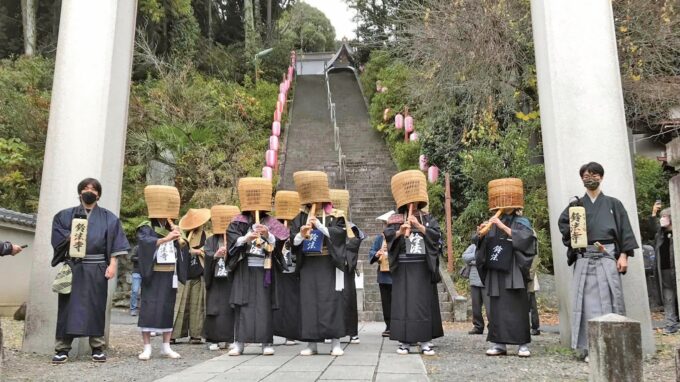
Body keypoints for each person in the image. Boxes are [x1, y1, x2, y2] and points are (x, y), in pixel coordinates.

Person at [558, 162, 639, 361]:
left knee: (612, 300)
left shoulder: (614, 204)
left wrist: (624, 255)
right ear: (582, 180)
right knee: (585, 303)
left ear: (601, 177)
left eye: (593, 174)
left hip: (608, 256)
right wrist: (577, 236)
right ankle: (589, 347)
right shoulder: (576, 206)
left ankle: (614, 345)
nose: (589, 178)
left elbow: (625, 231)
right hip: (585, 256)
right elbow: (564, 225)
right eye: (585, 175)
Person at [50, 178, 130, 364]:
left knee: (96, 306)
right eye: (85, 188)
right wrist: (72, 235)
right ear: (79, 193)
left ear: (98, 195)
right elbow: (57, 237)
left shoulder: (109, 218)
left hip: (97, 267)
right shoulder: (64, 215)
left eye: (93, 189)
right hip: (74, 267)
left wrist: (112, 265)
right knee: (68, 307)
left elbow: (116, 243)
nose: (89, 191)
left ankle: (97, 347)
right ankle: (62, 349)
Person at [227, 178, 289, 356]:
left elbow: (282, 240)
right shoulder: (238, 221)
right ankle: (239, 342)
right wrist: (247, 237)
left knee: (264, 305)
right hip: (244, 268)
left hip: (265, 268)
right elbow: (232, 241)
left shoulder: (271, 222)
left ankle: (266, 342)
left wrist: (268, 234)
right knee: (243, 304)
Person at [291, 171, 348, 356]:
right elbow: (293, 242)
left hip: (328, 263)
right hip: (308, 264)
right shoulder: (300, 217)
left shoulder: (335, 215)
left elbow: (340, 235)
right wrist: (301, 233)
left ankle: (335, 343)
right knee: (309, 303)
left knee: (331, 301)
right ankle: (311, 344)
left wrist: (321, 226)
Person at [136, 185, 189, 360]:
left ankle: (166, 346)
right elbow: (144, 243)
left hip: (169, 274)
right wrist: (166, 239)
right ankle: (147, 347)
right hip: (153, 273)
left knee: (167, 307)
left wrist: (180, 241)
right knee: (149, 307)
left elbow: (182, 249)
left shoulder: (172, 226)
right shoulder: (146, 226)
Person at [475, 206, 537, 358]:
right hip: (497, 268)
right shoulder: (493, 221)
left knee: (518, 306)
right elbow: (481, 244)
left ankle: (522, 344)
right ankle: (499, 343)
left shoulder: (522, 221)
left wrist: (502, 226)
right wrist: (480, 234)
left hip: (514, 268)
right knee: (497, 307)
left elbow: (526, 240)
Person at [203, 205, 239, 351]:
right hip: (216, 280)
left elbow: (238, 255)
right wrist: (215, 255)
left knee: (229, 309)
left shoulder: (233, 239)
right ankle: (214, 339)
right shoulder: (210, 240)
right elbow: (207, 255)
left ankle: (230, 339)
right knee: (214, 309)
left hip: (229, 280)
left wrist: (228, 255)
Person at [171, 209, 210, 344]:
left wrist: (197, 251)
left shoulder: (206, 235)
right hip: (184, 274)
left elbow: (209, 251)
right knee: (179, 305)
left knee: (197, 305)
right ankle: (173, 334)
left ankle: (196, 334)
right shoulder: (182, 234)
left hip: (199, 274)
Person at [272, 191, 302, 346]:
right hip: (279, 267)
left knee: (292, 303)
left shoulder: (299, 225)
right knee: (279, 301)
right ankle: (276, 331)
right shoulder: (274, 226)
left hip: (294, 267)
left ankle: (290, 334)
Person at [650, 202, 678, 335]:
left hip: (676, 269)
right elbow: (654, 227)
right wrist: (654, 214)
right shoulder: (660, 235)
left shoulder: (677, 233)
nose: (663, 219)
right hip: (664, 271)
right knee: (668, 298)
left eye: (665, 216)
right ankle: (671, 324)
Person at [368, 211, 395, 337]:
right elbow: (372, 251)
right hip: (384, 275)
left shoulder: (398, 236)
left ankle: (398, 325)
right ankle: (389, 326)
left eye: (388, 224)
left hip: (396, 274)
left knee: (397, 301)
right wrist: (377, 254)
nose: (386, 227)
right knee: (386, 302)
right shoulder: (380, 238)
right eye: (385, 224)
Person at [462, 243, 488, 335]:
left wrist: (473, 260)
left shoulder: (489, 245)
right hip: (474, 279)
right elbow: (464, 256)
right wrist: (478, 255)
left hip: (487, 280)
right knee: (475, 306)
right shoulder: (473, 246)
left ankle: (493, 326)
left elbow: (488, 260)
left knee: (490, 306)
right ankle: (478, 326)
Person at [527, 255, 541, 335]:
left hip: (529, 282)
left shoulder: (532, 251)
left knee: (531, 306)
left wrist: (528, 277)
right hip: (528, 280)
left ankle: (535, 327)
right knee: (531, 306)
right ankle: (534, 327)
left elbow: (532, 268)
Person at [129, 245, 141, 316]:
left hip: (147, 272)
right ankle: (133, 308)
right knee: (135, 290)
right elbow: (132, 258)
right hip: (137, 272)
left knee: (146, 292)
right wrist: (141, 259)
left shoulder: (151, 247)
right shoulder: (137, 247)